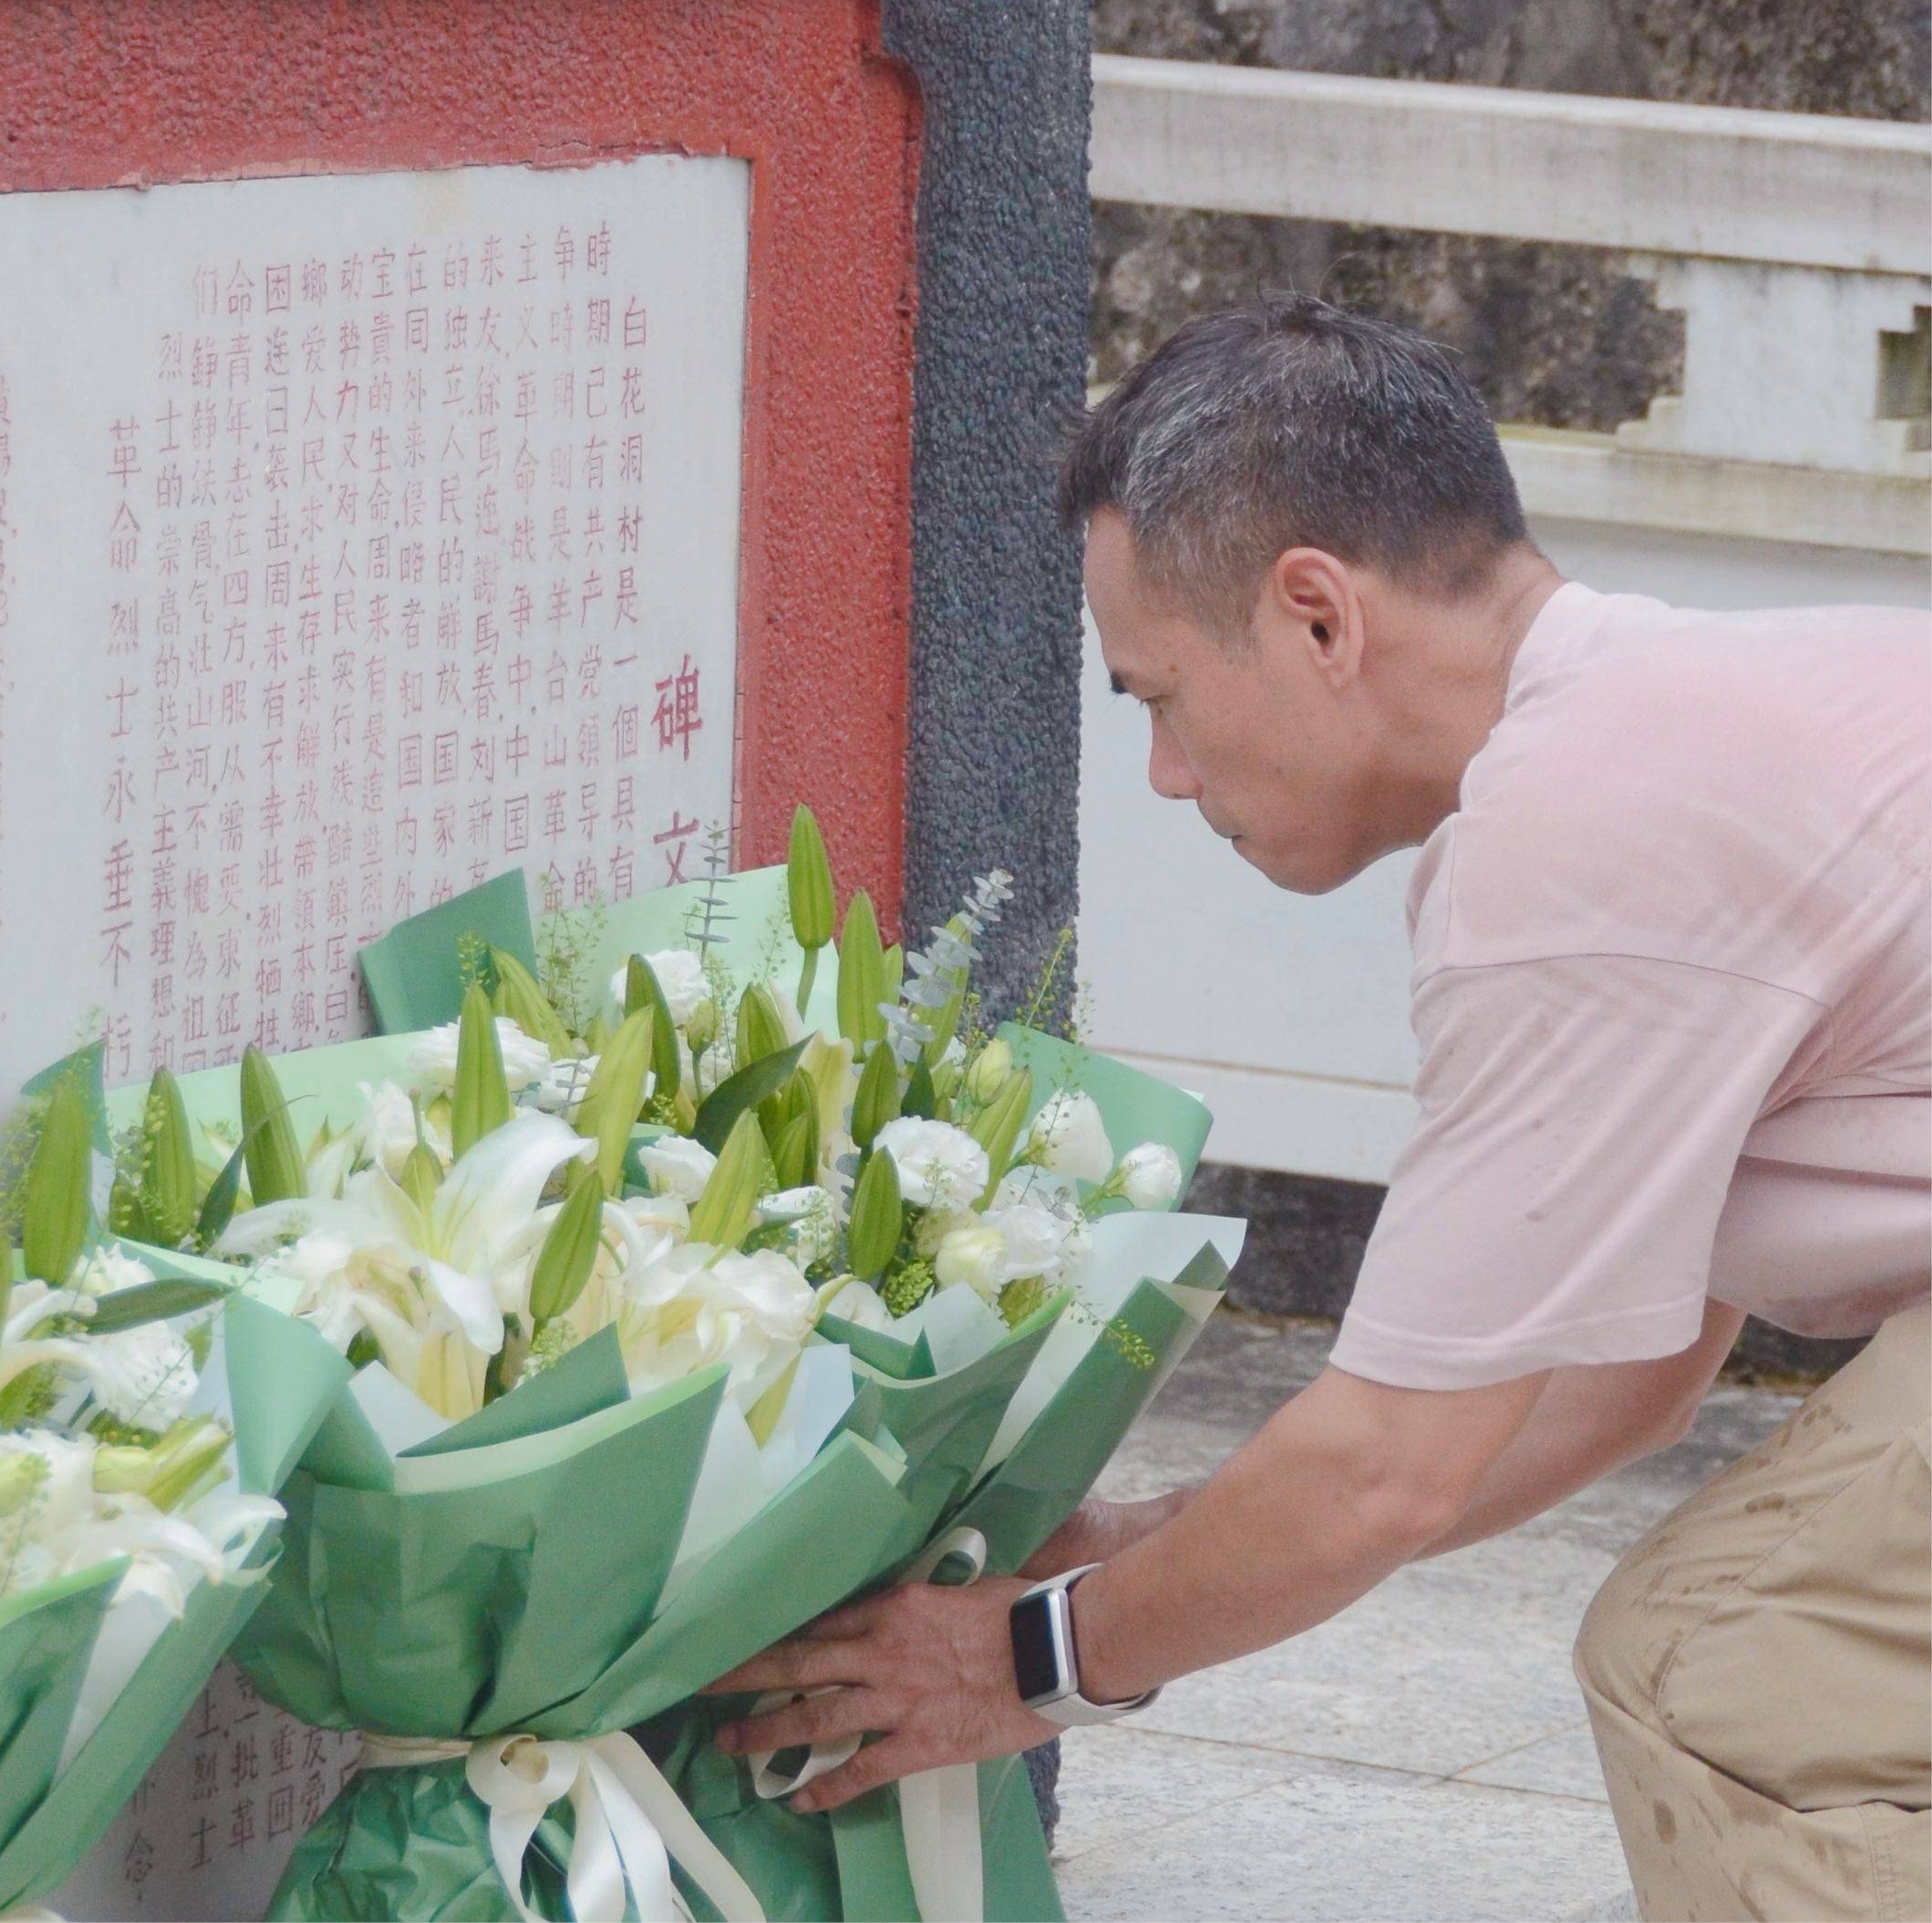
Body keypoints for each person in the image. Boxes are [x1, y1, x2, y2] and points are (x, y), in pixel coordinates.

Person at [711, 297, 1931, 1921]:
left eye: (1156, 693)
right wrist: (1150, 1540)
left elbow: (1385, 1465)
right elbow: (1623, 1371)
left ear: (1314, 618)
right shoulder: (1670, 733)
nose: (1162, 769)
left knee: (1732, 1670)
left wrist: (1025, 1661)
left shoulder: (1569, 849)